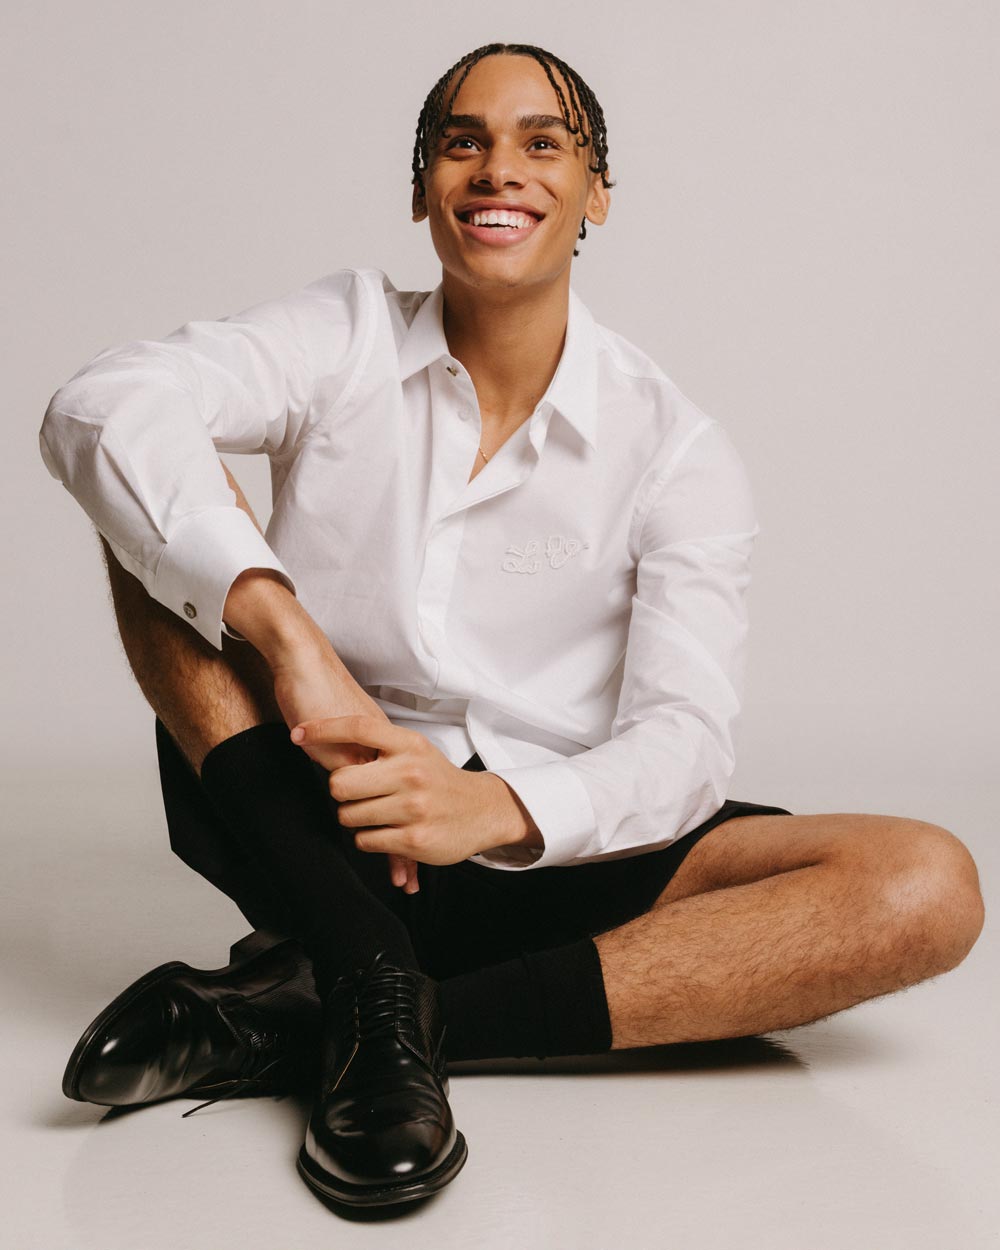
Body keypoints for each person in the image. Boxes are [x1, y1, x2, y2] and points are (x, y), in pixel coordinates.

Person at [40, 42, 985, 1212]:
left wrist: (493, 807)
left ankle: (347, 1013)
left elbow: (684, 742)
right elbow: (101, 403)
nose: (500, 170)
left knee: (925, 881)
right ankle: (361, 948)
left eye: (543, 142)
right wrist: (295, 645)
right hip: (315, 818)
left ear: (596, 193)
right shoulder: (343, 333)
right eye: (463, 142)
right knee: (150, 506)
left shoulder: (676, 450)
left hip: (559, 856)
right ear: (422, 187)